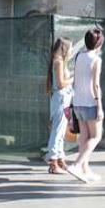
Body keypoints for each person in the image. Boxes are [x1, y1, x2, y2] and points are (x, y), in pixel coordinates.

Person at [65, 29, 104, 183]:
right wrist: (99, 106)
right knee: (96, 136)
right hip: (90, 102)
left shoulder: (79, 56)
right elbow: (95, 84)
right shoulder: (96, 60)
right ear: (99, 43)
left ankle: (85, 170)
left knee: (84, 136)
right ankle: (77, 164)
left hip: (78, 101)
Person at [45, 37, 73, 175]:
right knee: (57, 131)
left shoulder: (58, 61)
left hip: (63, 98)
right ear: (65, 48)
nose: (72, 50)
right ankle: (53, 161)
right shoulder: (59, 61)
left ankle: (60, 158)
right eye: (70, 47)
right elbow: (61, 83)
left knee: (61, 130)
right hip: (61, 98)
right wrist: (73, 78)